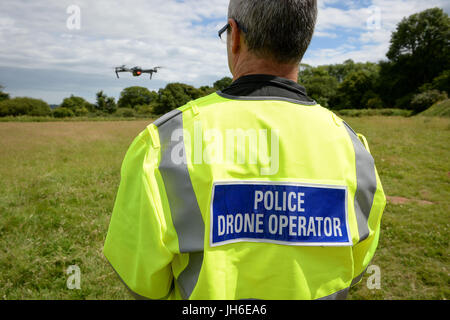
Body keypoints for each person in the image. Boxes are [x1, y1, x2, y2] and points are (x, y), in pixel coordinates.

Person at [104, 0, 386, 300]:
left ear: (234, 35)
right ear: (304, 40)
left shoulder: (164, 141)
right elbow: (356, 264)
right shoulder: (352, 146)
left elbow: (142, 282)